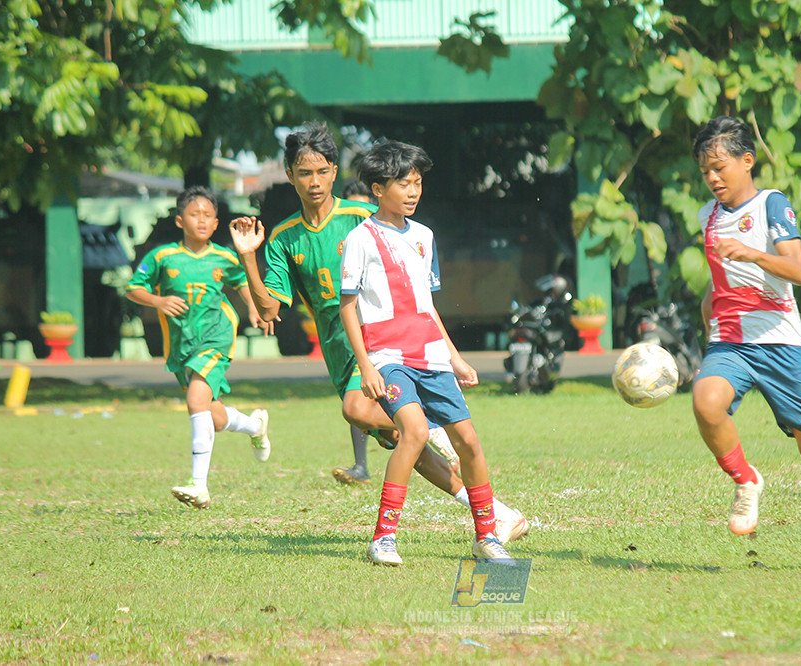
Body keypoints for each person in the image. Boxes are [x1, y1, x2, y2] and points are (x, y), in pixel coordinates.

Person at [228, 122, 528, 546]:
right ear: (290, 175)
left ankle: (427, 443)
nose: (314, 181)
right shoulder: (283, 238)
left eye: (322, 171)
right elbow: (268, 310)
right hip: (339, 349)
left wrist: (444, 348)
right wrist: (248, 259)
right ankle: (498, 515)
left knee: (358, 409)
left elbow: (412, 277)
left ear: (334, 171)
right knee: (408, 442)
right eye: (304, 172)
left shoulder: (363, 218)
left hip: (380, 343)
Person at [689, 116, 801, 573]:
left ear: (746, 161)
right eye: (705, 170)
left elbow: (797, 271)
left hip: (779, 345)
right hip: (730, 340)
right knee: (706, 401)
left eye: (719, 166)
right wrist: (709, 315)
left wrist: (751, 252)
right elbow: (719, 284)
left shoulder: (772, 205)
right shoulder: (706, 218)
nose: (712, 177)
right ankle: (745, 479)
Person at [339, 139, 514, 566]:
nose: (414, 191)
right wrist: (366, 367)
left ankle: (486, 536)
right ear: (379, 189)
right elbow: (347, 305)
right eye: (404, 184)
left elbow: (427, 306)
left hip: (430, 354)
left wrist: (453, 357)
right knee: (414, 432)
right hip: (387, 356)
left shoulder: (424, 236)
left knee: (469, 442)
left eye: (418, 183)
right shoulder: (360, 239)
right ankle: (383, 538)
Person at [126, 186, 271, 509]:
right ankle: (254, 425)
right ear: (180, 220)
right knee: (213, 415)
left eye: (208, 215)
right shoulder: (162, 257)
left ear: (216, 223)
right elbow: (133, 288)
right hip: (181, 346)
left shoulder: (223, 256)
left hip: (217, 337)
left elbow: (242, 282)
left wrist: (252, 307)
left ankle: (199, 485)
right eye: (195, 214)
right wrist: (158, 300)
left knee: (195, 400)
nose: (201, 220)